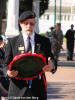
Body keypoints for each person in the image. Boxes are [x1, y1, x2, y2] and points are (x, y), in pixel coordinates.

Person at [4, 11, 55, 100]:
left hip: (38, 89)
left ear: (35, 24)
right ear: (20, 24)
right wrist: (8, 73)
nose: (28, 26)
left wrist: (52, 66)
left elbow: (51, 59)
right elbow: (5, 64)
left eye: (31, 23)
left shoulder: (44, 41)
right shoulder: (12, 42)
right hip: (17, 90)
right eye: (25, 23)